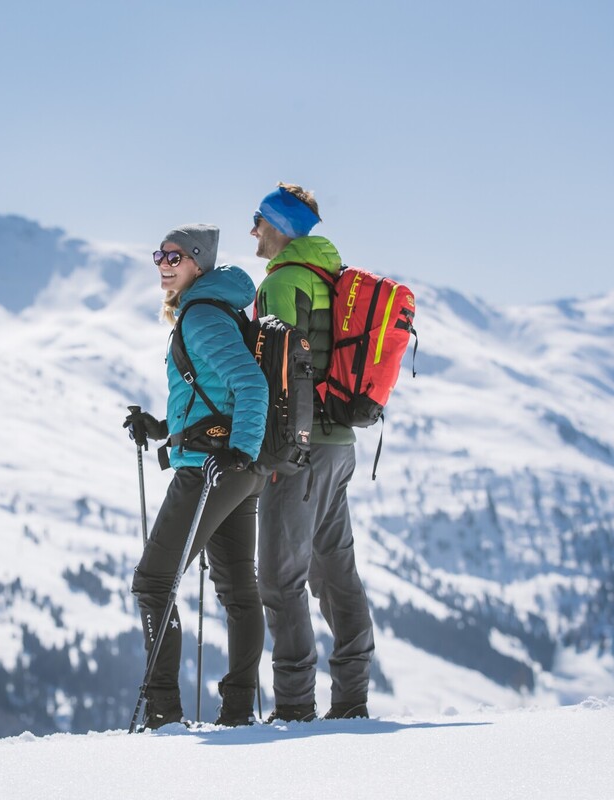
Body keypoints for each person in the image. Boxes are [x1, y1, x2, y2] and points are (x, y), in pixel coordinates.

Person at [123, 223, 269, 728]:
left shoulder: (201, 316)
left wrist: (239, 452)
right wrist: (162, 427)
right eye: (159, 254)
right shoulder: (215, 308)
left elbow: (250, 385)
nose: (164, 263)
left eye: (175, 256)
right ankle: (235, 712)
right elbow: (213, 393)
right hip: (231, 467)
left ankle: (163, 714)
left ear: (199, 262)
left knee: (153, 584)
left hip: (213, 469)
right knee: (236, 588)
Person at [251, 183, 375, 722]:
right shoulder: (330, 275)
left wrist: (276, 450)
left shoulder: (284, 283)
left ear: (278, 225)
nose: (252, 230)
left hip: (300, 450)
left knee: (280, 578)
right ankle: (351, 700)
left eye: (258, 220)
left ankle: (295, 708)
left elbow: (281, 373)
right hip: (338, 443)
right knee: (335, 572)